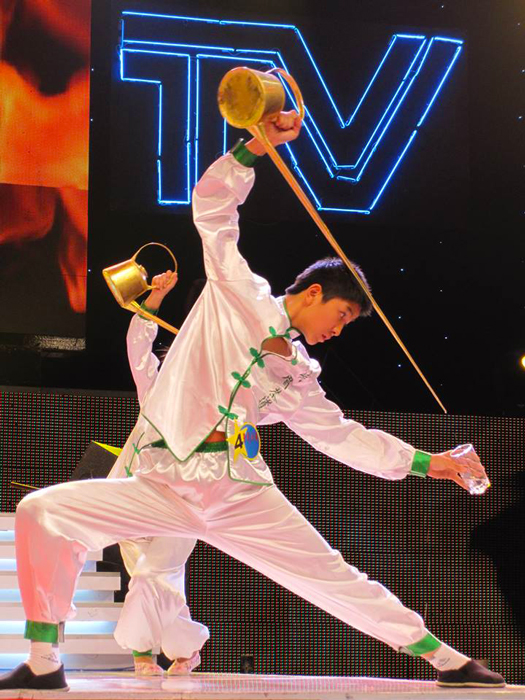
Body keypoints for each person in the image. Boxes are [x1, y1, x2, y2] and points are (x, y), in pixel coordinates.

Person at [1, 110, 505, 691]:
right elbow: (213, 210)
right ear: (312, 292)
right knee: (42, 512)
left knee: (330, 575)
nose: (338, 330)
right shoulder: (236, 291)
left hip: (238, 491)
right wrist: (252, 148)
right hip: (163, 485)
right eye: (341, 314)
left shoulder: (300, 372)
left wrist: (426, 462)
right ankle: (44, 663)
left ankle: (448, 660)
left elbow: (339, 434)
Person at [109, 271, 208, 676]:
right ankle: (178, 652)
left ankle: (146, 653)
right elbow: (138, 345)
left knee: (158, 574)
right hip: (134, 493)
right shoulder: (153, 389)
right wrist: (154, 300)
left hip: (185, 501)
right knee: (151, 575)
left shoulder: (216, 403)